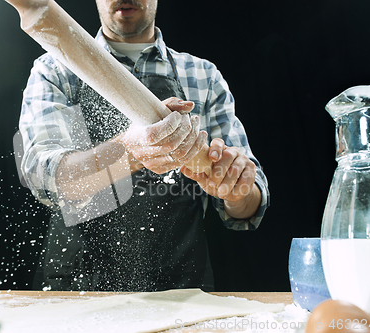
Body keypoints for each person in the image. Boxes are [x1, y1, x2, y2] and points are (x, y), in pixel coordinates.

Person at [19, 0, 269, 292]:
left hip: (180, 290)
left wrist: (235, 188)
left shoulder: (203, 76)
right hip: (78, 290)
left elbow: (249, 206)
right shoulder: (56, 69)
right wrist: (130, 151)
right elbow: (45, 177)